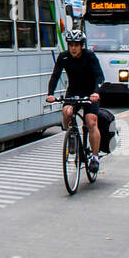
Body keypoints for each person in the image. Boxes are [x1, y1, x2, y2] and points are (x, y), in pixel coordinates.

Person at [45, 29, 106, 171]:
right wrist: (50, 93)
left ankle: (95, 158)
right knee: (67, 112)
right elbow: (55, 76)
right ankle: (71, 136)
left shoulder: (89, 56)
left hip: (91, 93)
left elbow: (99, 77)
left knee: (91, 121)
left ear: (82, 45)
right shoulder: (63, 57)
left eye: (76, 45)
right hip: (73, 92)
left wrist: (96, 93)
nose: (73, 48)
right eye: (71, 44)